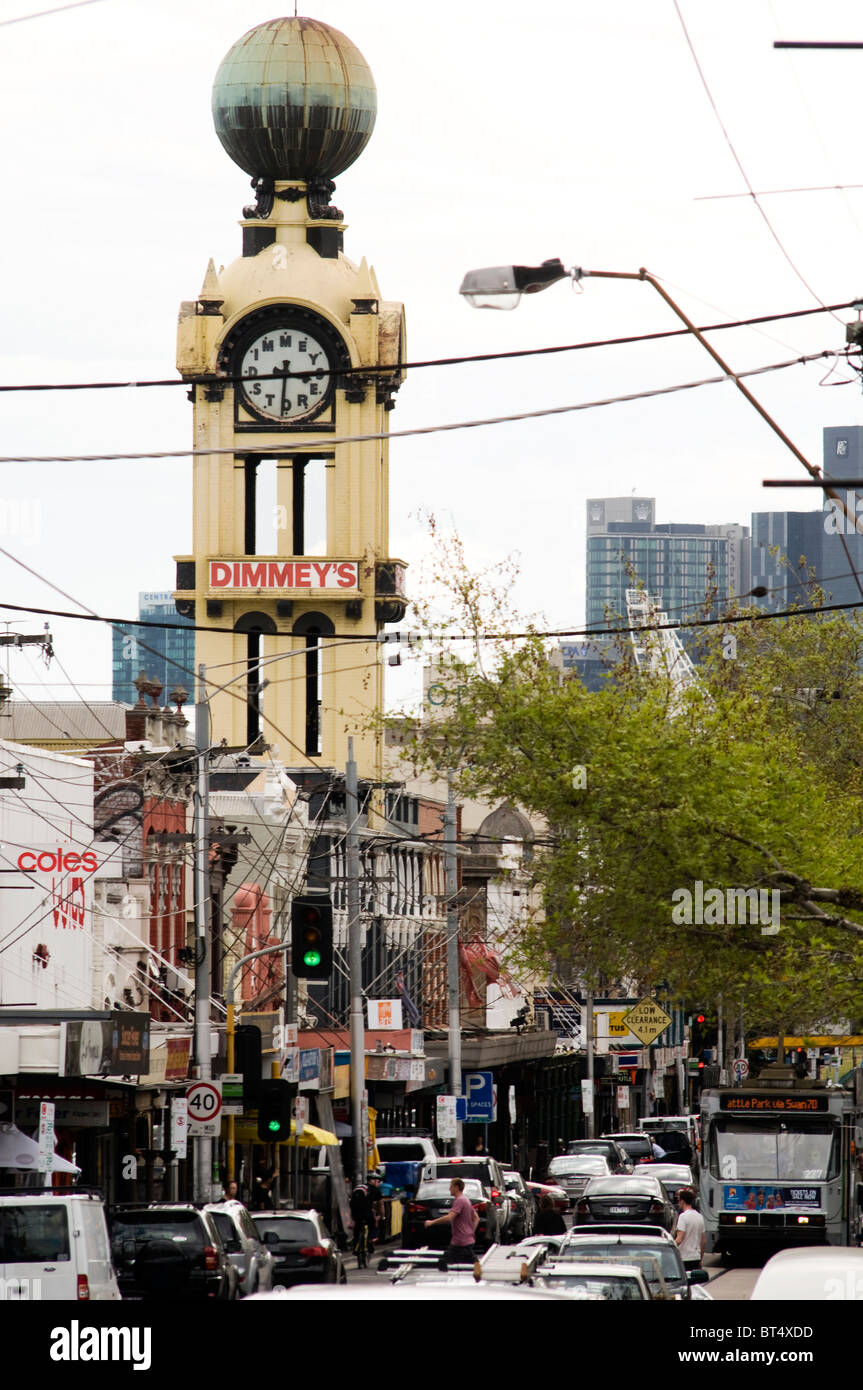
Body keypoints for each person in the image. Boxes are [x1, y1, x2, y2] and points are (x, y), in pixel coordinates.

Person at [424, 1177, 479, 1269]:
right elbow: (476, 1218)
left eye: (451, 1187)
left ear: (456, 1188)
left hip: (461, 1242)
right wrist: (470, 1232)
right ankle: (476, 1268)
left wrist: (432, 1222)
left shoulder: (460, 1200)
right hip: (465, 1240)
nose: (449, 1189)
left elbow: (449, 1217)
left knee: (444, 1263)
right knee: (463, 1264)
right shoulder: (466, 1200)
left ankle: (477, 1270)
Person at [674, 1188, 706, 1271]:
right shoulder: (700, 1217)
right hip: (696, 1257)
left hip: (684, 1258)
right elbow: (703, 1241)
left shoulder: (683, 1217)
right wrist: (700, 1259)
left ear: (682, 1201)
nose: (678, 1203)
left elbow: (679, 1239)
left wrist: (669, 1246)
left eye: (679, 1200)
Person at [367, 1172, 385, 1243]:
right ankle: (371, 1240)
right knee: (374, 1228)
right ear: (372, 1180)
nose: (379, 1183)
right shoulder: (376, 1190)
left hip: (356, 1213)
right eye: (378, 1181)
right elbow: (381, 1205)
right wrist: (382, 1216)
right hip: (368, 1213)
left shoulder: (362, 1187)